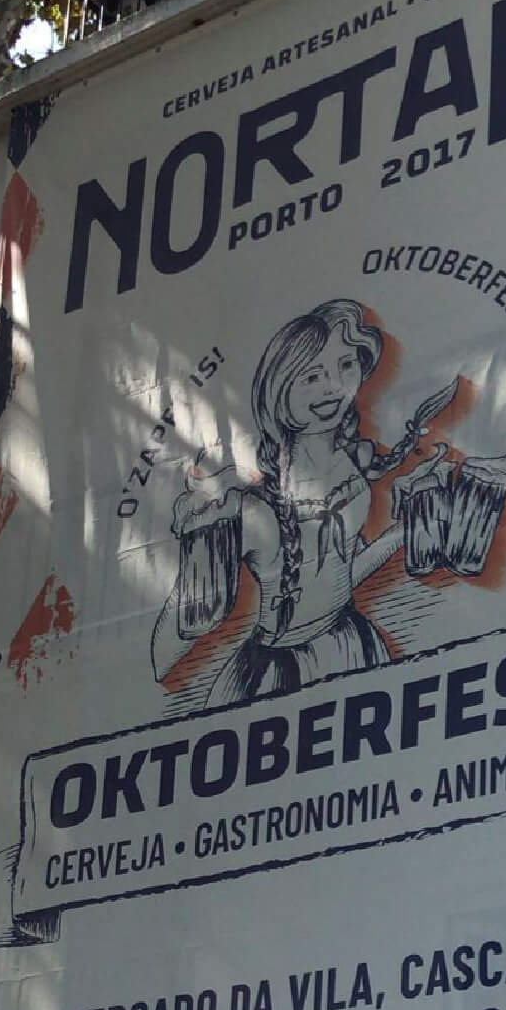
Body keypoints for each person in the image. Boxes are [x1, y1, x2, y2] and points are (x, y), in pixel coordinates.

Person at [151, 298, 455, 705]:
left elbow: (338, 581)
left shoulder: (351, 474)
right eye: (311, 376)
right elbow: (172, 640)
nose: (333, 387)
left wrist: (402, 532)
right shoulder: (254, 511)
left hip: (351, 645)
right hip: (278, 674)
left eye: (345, 366)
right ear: (280, 391)